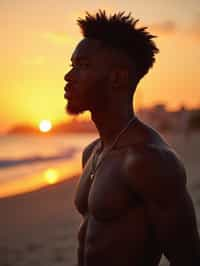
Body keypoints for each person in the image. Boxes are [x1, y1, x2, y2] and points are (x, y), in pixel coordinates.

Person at [64, 10, 200, 266]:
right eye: (72, 66)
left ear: (117, 77)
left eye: (83, 66)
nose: (68, 76)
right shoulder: (92, 152)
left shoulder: (149, 160)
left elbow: (188, 258)